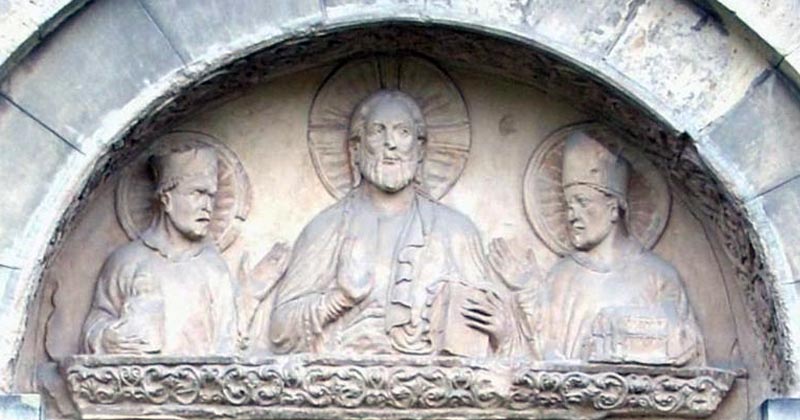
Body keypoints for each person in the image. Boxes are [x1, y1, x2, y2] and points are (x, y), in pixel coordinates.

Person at [269, 90, 513, 356]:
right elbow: (280, 333)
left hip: (435, 380)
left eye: (403, 132)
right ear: (356, 148)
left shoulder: (456, 232)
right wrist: (339, 299)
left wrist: (502, 334)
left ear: (420, 149)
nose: (390, 144)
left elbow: (487, 343)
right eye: (377, 131)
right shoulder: (327, 229)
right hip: (343, 378)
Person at [493, 129, 705, 365]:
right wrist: (527, 289)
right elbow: (543, 352)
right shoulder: (561, 276)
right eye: (568, 205)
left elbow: (687, 351)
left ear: (613, 207)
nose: (572, 215)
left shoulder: (659, 276)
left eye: (582, 202)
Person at [81, 143, 237, 355]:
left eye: (211, 196)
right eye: (197, 193)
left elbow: (227, 344)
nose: (207, 206)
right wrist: (107, 337)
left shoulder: (213, 268)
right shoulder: (126, 261)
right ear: (166, 199)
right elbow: (98, 320)